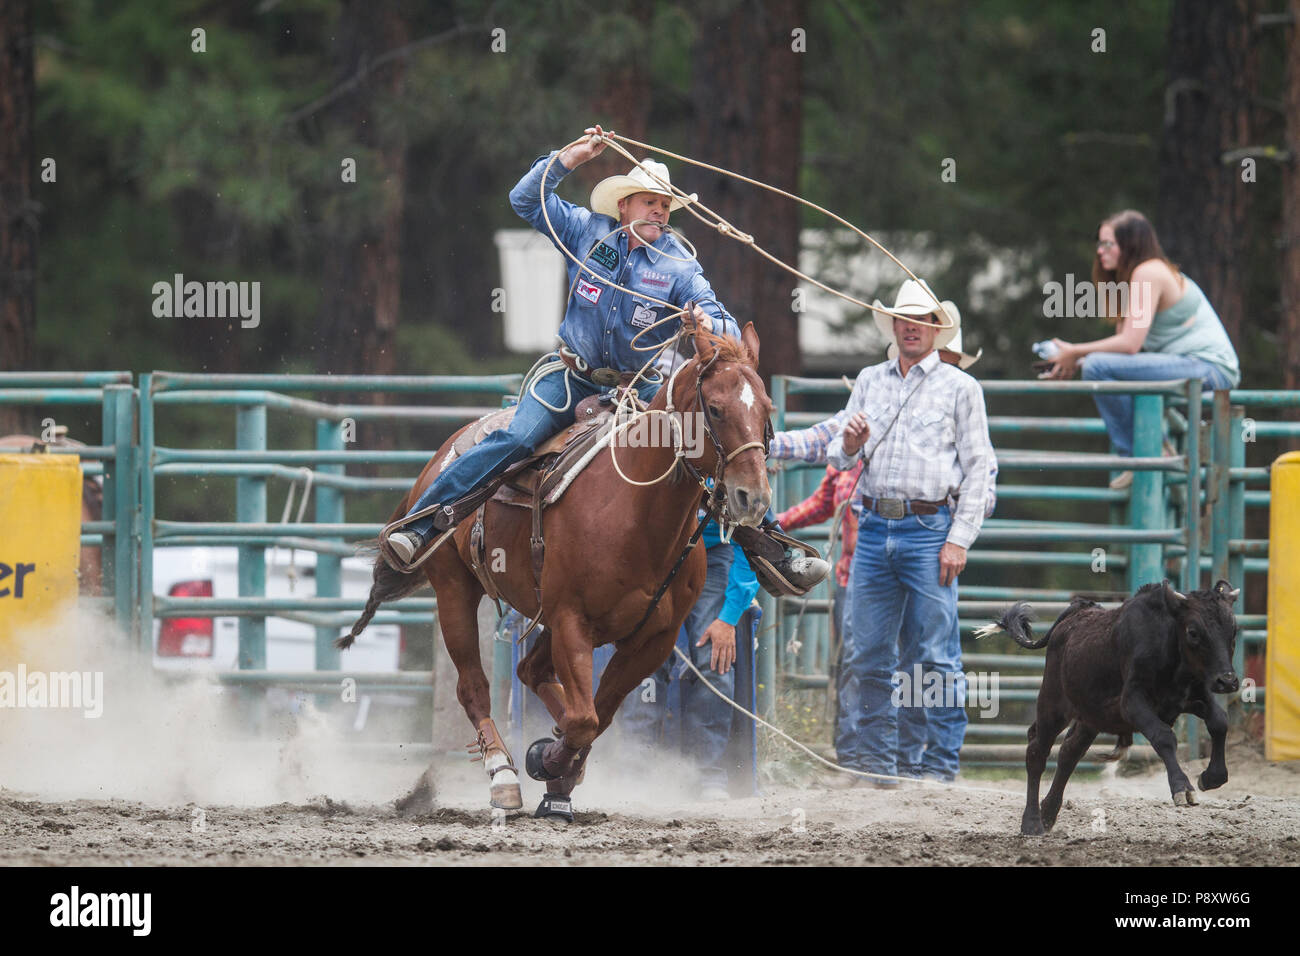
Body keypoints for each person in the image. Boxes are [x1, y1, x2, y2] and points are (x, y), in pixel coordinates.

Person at [386, 125, 827, 593]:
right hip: (572, 376)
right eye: (648, 201)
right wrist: (568, 159)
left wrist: (708, 322)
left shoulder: (679, 264)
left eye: (664, 204)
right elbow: (525, 201)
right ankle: (421, 525)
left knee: (703, 444)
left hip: (636, 386)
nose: (659, 210)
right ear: (623, 206)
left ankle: (776, 549)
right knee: (516, 440)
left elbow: (725, 322)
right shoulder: (584, 230)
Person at [826, 279, 996, 785]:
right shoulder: (870, 380)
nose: (910, 327)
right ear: (894, 326)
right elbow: (840, 454)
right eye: (904, 318)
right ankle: (881, 765)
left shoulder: (961, 388)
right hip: (876, 525)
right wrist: (851, 442)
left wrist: (958, 539)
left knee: (935, 654)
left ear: (936, 329)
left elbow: (979, 467)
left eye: (920, 320)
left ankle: (939, 767)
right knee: (868, 653)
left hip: (929, 529)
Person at [1043, 210, 1240, 489]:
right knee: (1097, 365)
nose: (1100, 251)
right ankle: (1152, 448)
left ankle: (1142, 455)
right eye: (1099, 244)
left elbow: (1130, 345)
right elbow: (1120, 352)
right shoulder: (1132, 279)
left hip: (1210, 368)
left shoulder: (1149, 271)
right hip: (1190, 365)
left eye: (1108, 244)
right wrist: (1074, 359)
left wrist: (1076, 351)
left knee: (1097, 366)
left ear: (1131, 243)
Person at [618, 510, 760, 801]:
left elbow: (756, 536)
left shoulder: (737, 469)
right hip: (652, 557)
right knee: (645, 659)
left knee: (715, 660)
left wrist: (729, 617)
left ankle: (707, 774)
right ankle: (635, 771)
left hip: (713, 556)